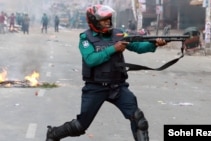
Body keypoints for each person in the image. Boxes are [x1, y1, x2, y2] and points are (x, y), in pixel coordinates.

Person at [45, 4, 167, 141]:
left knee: (139, 121)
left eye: (109, 19)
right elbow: (91, 59)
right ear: (95, 21)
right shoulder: (85, 38)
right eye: (104, 20)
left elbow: (138, 46)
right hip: (95, 88)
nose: (108, 22)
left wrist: (154, 44)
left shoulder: (119, 34)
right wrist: (113, 49)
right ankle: (53, 134)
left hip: (118, 87)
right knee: (81, 126)